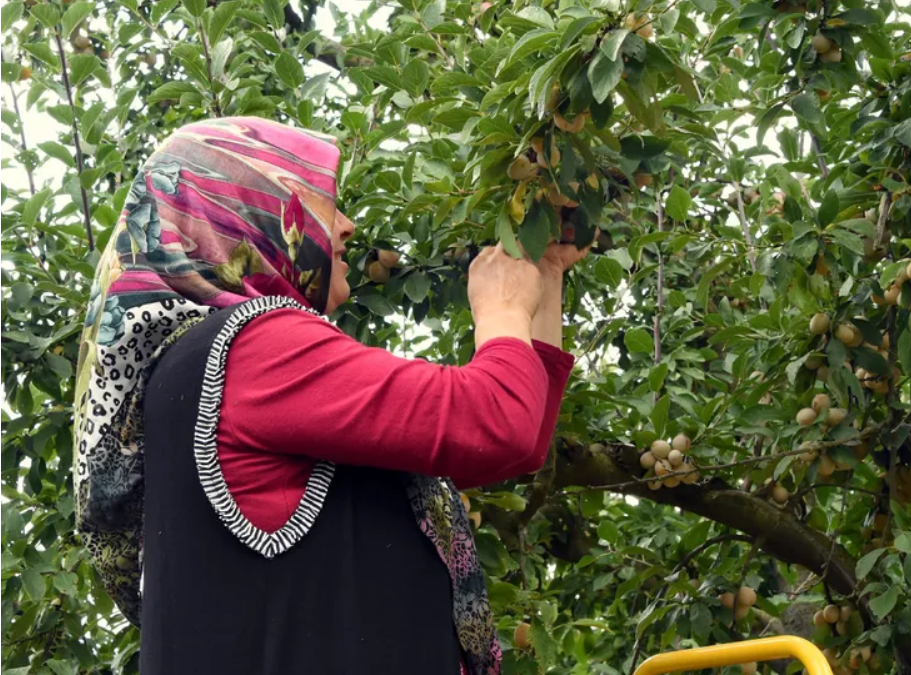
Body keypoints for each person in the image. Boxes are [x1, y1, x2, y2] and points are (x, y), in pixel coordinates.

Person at [72, 117, 589, 675]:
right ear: (254, 207)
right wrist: (504, 307)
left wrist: (544, 273)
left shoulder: (198, 366)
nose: (346, 226)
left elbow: (520, 441)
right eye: (321, 202)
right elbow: (495, 421)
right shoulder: (256, 347)